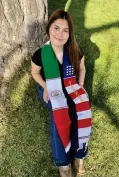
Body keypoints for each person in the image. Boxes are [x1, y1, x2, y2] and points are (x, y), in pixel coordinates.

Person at [31, 9, 92, 177]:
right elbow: (35, 73)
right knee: (58, 112)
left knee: (82, 108)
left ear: (69, 33)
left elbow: (82, 67)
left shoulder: (74, 50)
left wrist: (80, 85)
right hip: (51, 88)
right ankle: (63, 163)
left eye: (65, 30)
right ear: (49, 28)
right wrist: (45, 86)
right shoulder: (40, 54)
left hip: (71, 85)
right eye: (56, 28)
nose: (60, 34)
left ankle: (79, 154)